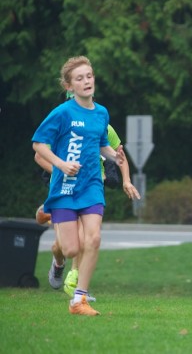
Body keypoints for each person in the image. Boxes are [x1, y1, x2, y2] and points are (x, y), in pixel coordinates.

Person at [32, 56, 127, 316]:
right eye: (80, 78)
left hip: (91, 185)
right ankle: (58, 259)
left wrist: (113, 156)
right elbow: (38, 145)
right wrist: (61, 164)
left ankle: (79, 300)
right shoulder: (62, 113)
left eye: (89, 76)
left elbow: (100, 144)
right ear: (69, 86)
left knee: (93, 238)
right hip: (64, 186)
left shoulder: (101, 113)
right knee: (72, 248)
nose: (87, 81)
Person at [35, 124, 140, 300]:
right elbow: (39, 155)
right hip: (65, 188)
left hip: (91, 188)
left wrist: (126, 180)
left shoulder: (103, 125)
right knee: (64, 246)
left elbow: (118, 155)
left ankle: (77, 286)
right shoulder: (64, 122)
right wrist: (62, 171)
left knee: (88, 238)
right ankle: (59, 263)